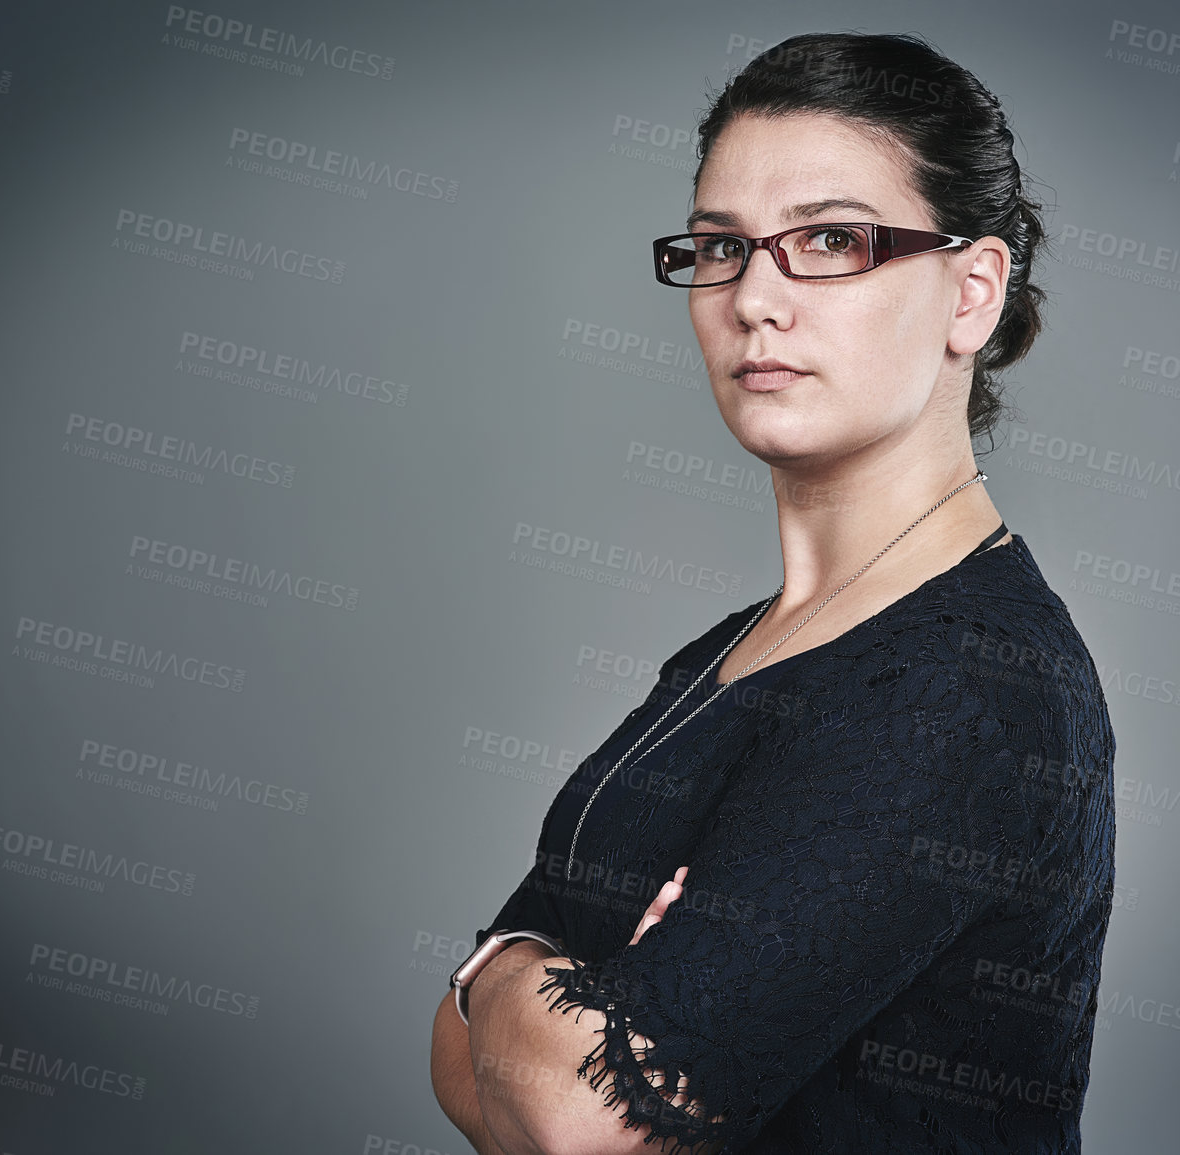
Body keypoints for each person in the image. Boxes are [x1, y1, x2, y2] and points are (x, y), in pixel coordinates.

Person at [431, 30, 1115, 1155]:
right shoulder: (728, 649)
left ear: (972, 293)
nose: (755, 299)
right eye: (720, 248)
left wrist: (499, 966)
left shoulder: (966, 684)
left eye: (831, 241)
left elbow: (572, 1121)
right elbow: (460, 1073)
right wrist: (554, 1006)